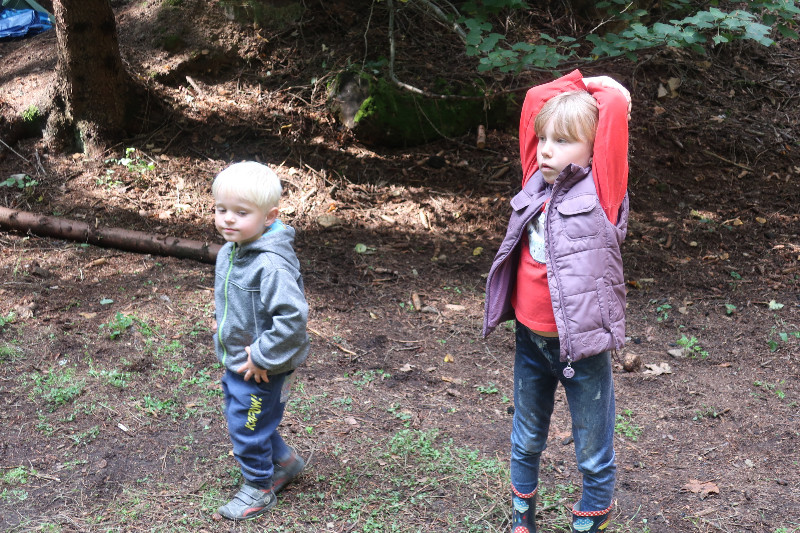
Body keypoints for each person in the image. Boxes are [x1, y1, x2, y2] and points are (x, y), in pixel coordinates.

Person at [482, 70, 631, 533]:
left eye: (562, 141)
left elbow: (614, 109)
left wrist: (602, 87)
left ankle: (593, 515)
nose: (546, 149)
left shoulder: (602, 190)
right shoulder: (535, 180)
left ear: (593, 149)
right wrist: (581, 80)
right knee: (526, 438)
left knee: (592, 447)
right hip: (530, 343)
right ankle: (521, 516)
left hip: (581, 349)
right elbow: (534, 98)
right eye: (543, 139)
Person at [211, 161, 310, 521]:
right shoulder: (232, 250)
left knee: (246, 425)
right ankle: (284, 461)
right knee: (250, 417)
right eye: (221, 209)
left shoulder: (270, 264)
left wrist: (263, 356)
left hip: (263, 367)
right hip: (241, 360)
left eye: (241, 212)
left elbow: (293, 318)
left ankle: (258, 487)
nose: (228, 219)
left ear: (270, 217)